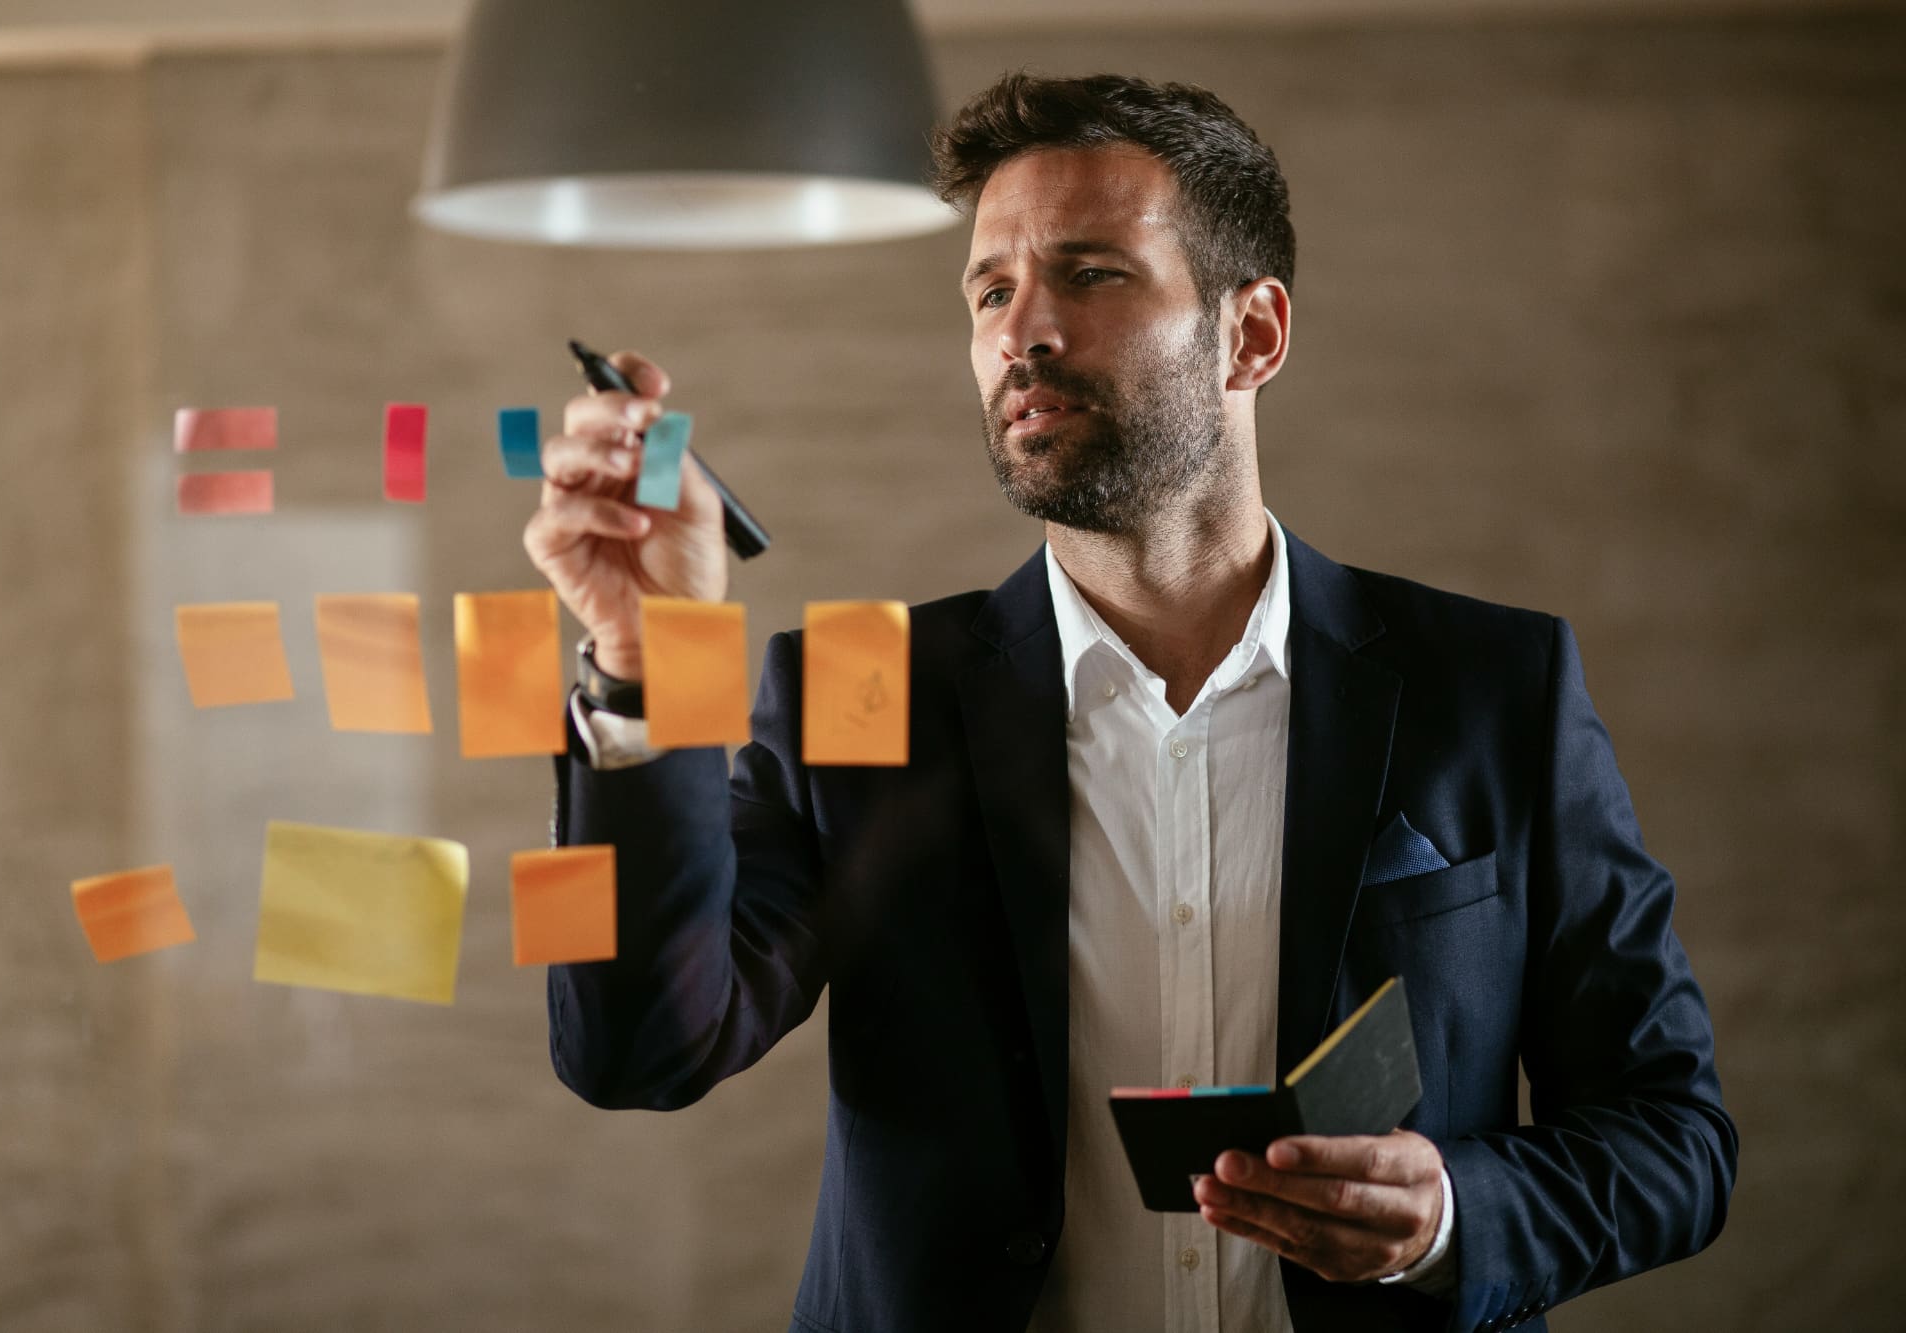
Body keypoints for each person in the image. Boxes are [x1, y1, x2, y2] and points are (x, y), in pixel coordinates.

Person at [522, 72, 1736, 1333]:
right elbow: (631, 1054)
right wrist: (645, 662)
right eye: (990, 291)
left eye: (1091, 274)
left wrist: (1451, 1214)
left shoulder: (1492, 687)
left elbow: (1676, 1140)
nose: (1019, 332)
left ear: (1250, 335)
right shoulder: (855, 695)